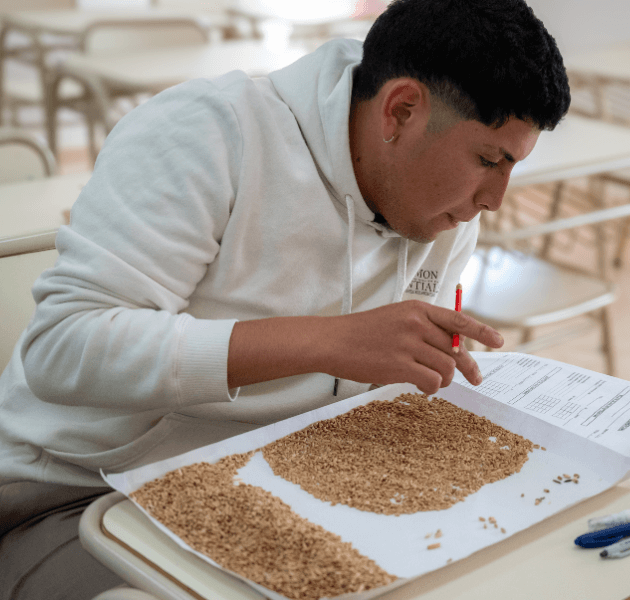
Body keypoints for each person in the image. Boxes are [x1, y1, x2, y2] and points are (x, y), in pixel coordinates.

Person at [0, 0, 570, 597]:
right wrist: (328, 342)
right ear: (401, 110)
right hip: (87, 495)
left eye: (512, 166)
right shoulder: (209, 133)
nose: (495, 200)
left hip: (269, 489)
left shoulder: (449, 212)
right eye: (487, 160)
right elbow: (62, 348)